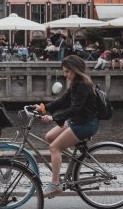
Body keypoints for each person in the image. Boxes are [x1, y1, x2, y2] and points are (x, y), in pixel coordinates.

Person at [34, 55, 99, 198]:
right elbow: (64, 100)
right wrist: (43, 108)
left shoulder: (83, 85)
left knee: (54, 147)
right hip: (78, 121)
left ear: (75, 70)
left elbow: (75, 109)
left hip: (86, 124)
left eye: (67, 71)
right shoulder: (76, 83)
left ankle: (55, 185)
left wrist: (53, 117)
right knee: (50, 137)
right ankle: (75, 161)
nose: (65, 74)